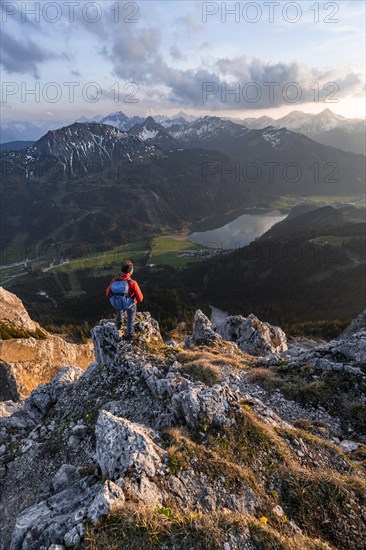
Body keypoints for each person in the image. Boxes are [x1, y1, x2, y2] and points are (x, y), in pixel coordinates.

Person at [105, 260, 143, 339]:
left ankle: (119, 321)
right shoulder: (133, 283)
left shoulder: (115, 280)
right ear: (130, 271)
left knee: (119, 303)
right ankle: (130, 333)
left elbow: (107, 293)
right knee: (132, 309)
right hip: (127, 304)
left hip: (116, 303)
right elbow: (140, 298)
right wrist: (134, 299)